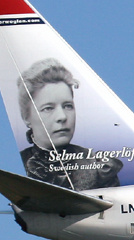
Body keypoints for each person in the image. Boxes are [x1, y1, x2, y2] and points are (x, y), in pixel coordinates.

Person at [18, 58, 121, 189]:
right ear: (26, 117)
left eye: (68, 106)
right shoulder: (17, 164)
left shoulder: (98, 165)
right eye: (48, 108)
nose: (62, 117)